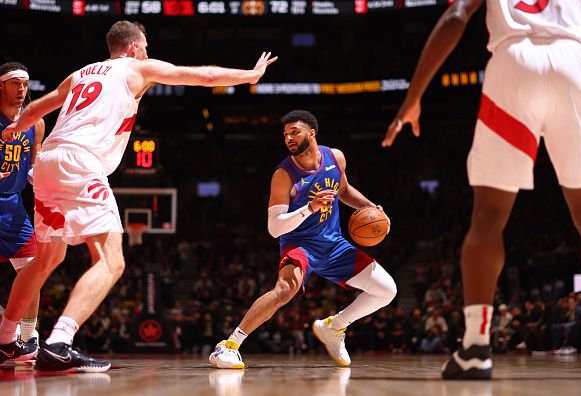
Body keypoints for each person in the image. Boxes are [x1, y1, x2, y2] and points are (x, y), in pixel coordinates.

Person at [0, 20, 277, 373]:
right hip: (80, 163)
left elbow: (42, 107)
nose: (147, 50)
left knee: (46, 259)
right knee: (112, 261)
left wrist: (17, 126)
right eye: (144, 45)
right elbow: (202, 76)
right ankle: (58, 342)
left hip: (48, 162)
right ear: (132, 47)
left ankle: (7, 341)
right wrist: (249, 75)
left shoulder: (80, 73)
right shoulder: (136, 67)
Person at [382, 0, 581, 380]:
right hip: (574, 62)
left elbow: (456, 16)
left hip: (513, 63)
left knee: (488, 217)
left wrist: (412, 99)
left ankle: (476, 347)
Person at [209, 110, 397, 368]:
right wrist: (309, 208)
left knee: (387, 290)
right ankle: (228, 346)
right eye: (285, 134)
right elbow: (275, 227)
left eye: (294, 132)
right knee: (285, 290)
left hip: (333, 243)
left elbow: (343, 190)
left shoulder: (335, 157)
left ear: (311, 133)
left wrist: (371, 208)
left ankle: (334, 327)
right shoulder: (283, 175)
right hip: (300, 244)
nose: (289, 138)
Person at [0, 62, 44, 364]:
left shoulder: (35, 122)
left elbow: (34, 162)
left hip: (14, 207)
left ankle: (29, 339)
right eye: (15, 83)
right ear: (1, 86)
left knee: (32, 272)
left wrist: (39, 175)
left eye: (25, 84)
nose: (21, 89)